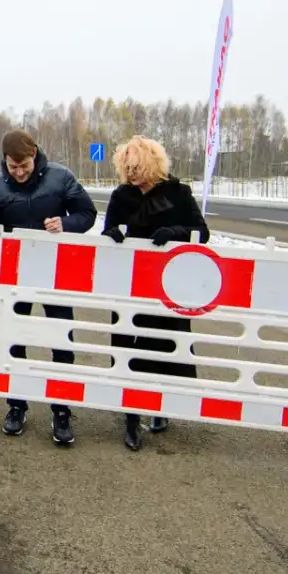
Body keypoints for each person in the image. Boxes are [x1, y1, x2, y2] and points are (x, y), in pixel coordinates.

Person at [0, 129, 97, 445]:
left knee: (61, 339)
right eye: (12, 167)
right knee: (16, 338)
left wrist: (65, 224)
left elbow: (88, 214)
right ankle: (16, 405)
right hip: (16, 276)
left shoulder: (60, 177)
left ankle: (62, 409)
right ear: (5, 161)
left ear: (34, 155)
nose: (18, 173)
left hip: (57, 274)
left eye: (23, 166)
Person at [101, 135, 209, 452]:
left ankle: (162, 406)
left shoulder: (178, 192)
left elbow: (202, 233)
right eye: (126, 168)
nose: (131, 173)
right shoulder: (121, 195)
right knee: (127, 346)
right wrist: (113, 232)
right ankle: (131, 417)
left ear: (151, 163)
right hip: (129, 285)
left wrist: (175, 233)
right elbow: (109, 228)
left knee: (165, 347)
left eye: (136, 167)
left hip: (169, 286)